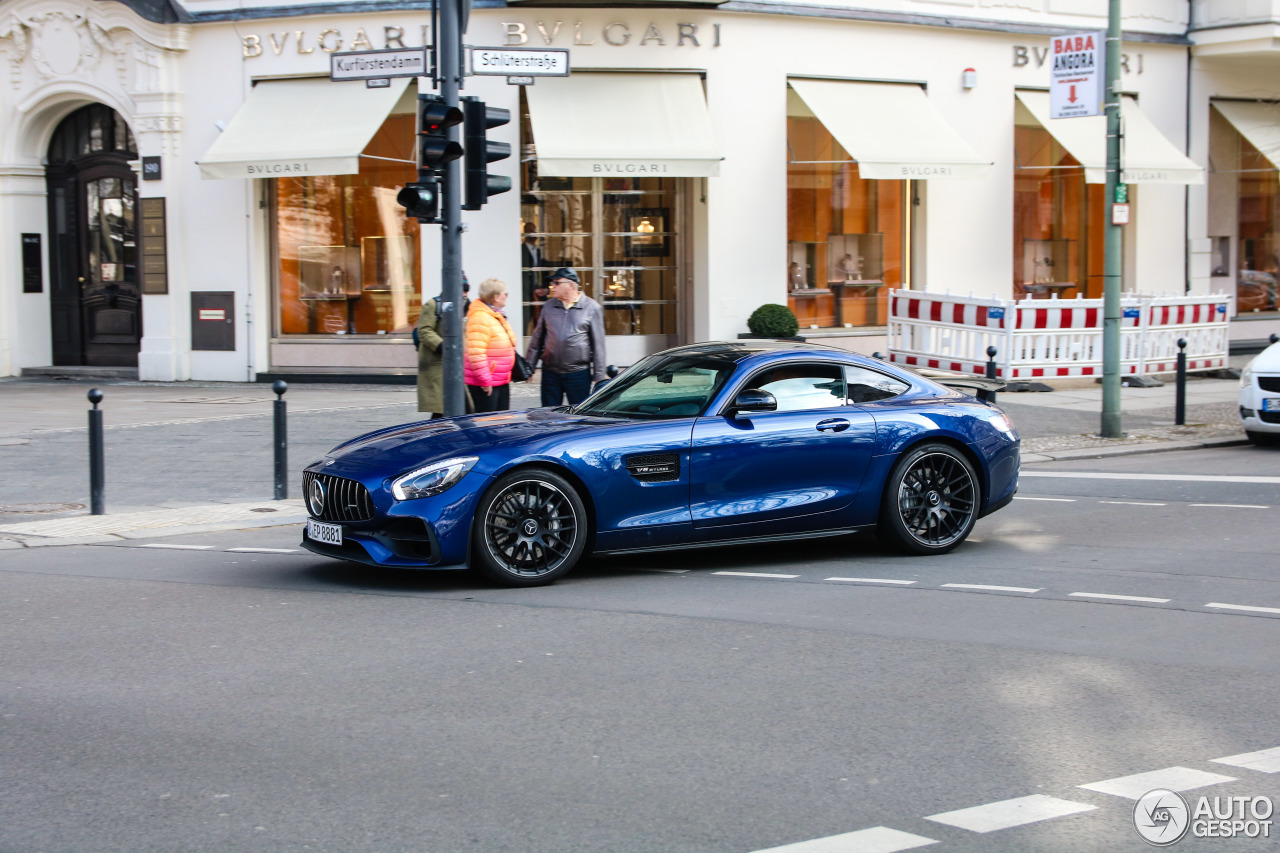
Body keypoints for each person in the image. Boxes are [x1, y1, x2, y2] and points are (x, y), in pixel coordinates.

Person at [525, 267, 606, 407]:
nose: (552, 286)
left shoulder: (591, 307)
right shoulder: (549, 306)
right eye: (552, 283)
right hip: (550, 373)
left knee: (578, 416)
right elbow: (537, 339)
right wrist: (529, 367)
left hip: (578, 374)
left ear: (571, 284)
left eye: (557, 283)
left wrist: (599, 376)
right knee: (548, 415)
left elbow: (598, 344)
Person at [464, 278, 518, 413]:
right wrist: (485, 381)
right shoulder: (481, 318)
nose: (507, 297)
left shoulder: (495, 315)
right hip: (488, 384)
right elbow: (476, 353)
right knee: (487, 424)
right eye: (505, 294)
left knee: (501, 422)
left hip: (500, 380)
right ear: (496, 297)